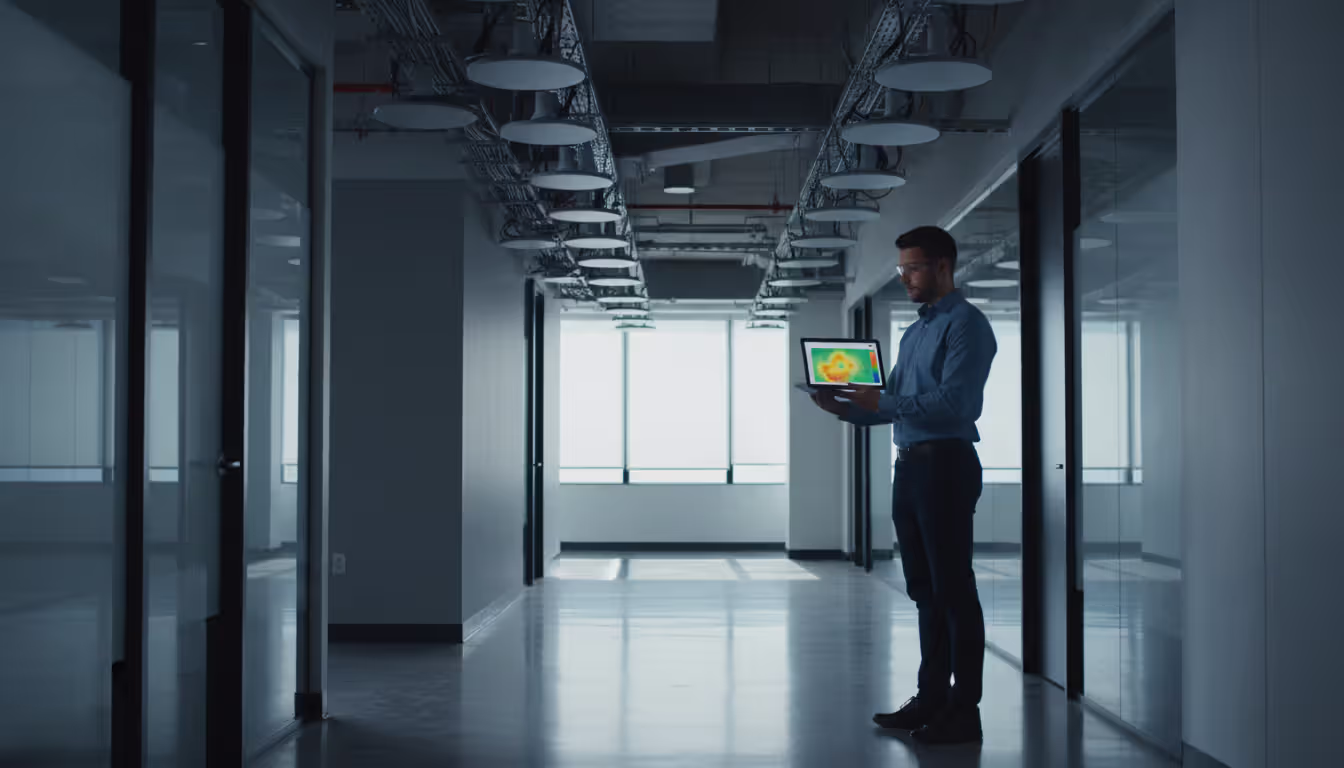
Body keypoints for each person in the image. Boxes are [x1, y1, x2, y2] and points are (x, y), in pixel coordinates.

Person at [811, 225, 997, 745]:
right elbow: (890, 406)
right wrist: (844, 407)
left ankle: (965, 710)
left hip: (947, 466)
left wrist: (880, 403)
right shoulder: (915, 333)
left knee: (954, 590)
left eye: (914, 268)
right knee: (924, 592)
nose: (906, 278)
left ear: (943, 266)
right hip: (911, 466)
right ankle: (931, 697)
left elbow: (956, 405)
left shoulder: (967, 326)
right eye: (902, 269)